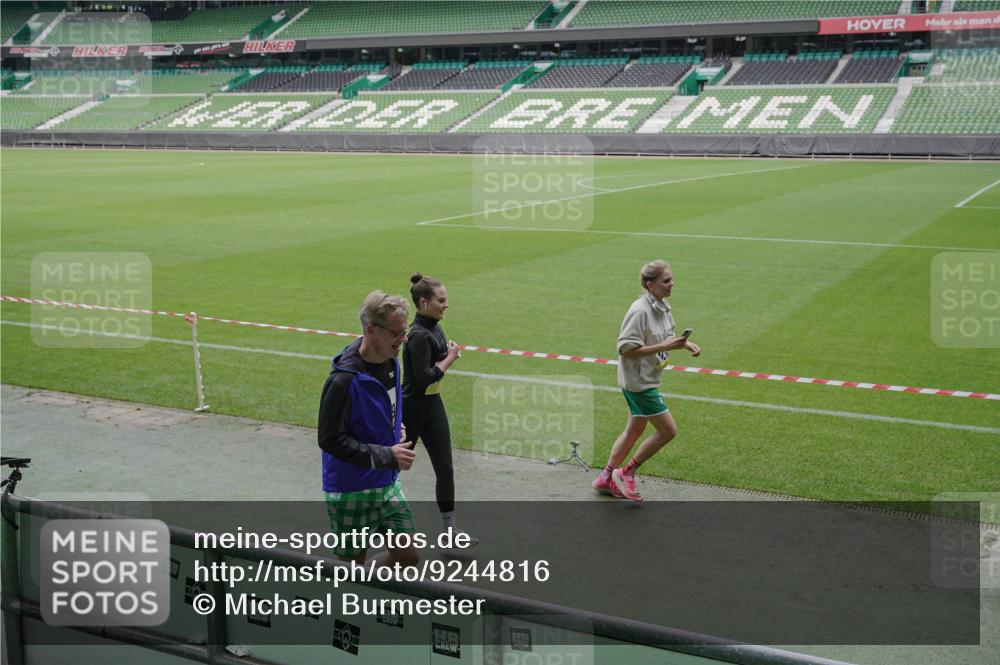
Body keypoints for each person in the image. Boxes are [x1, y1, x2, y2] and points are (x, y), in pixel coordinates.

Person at [318, 290, 419, 566]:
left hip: (385, 482)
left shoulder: (391, 362)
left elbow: (384, 408)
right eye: (397, 333)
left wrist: (395, 428)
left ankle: (366, 585)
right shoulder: (342, 381)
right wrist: (388, 455)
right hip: (350, 488)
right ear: (371, 329)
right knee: (351, 569)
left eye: (404, 331)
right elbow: (329, 439)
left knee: (408, 556)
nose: (403, 339)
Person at [593, 260, 701, 503]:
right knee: (667, 431)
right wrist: (664, 346)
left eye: (671, 279)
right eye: (666, 281)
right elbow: (625, 347)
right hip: (639, 382)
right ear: (650, 284)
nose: (672, 284)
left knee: (635, 429)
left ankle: (605, 478)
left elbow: (667, 336)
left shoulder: (663, 306)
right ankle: (626, 472)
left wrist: (684, 343)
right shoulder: (639, 310)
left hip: (647, 377)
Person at [402, 273, 477, 545]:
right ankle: (368, 515)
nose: (446, 305)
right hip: (412, 408)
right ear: (423, 303)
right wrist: (451, 359)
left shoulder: (434, 327)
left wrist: (447, 353)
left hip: (433, 406)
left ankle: (449, 531)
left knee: (445, 469)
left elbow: (435, 366)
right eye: (441, 300)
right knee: (393, 467)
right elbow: (424, 379)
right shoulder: (419, 335)